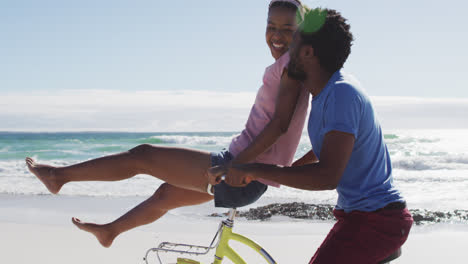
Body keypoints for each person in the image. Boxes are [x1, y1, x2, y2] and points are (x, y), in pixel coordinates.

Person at [25, 0, 315, 248]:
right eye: (271, 26)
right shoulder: (292, 65)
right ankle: (110, 231)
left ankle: (58, 176)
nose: (277, 35)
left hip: (241, 171)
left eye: (287, 29)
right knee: (164, 194)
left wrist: (238, 166)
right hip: (246, 173)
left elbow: (279, 125)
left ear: (301, 32)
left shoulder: (292, 66)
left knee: (144, 156)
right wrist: (291, 166)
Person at [209, 8, 414, 263]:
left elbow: (327, 175)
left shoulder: (342, 94)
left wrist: (256, 169)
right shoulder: (325, 93)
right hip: (358, 216)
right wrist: (293, 168)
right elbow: (331, 148)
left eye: (294, 38)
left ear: (307, 52)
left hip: (378, 220)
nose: (285, 45)